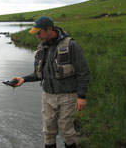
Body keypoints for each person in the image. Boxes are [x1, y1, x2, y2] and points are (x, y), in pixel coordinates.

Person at [13, 16, 90, 148]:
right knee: (48, 132)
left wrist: (81, 96)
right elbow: (39, 74)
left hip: (67, 96)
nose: (37, 36)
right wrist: (24, 79)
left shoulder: (71, 45)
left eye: (39, 32)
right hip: (47, 96)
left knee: (67, 132)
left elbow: (83, 72)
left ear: (49, 29)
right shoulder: (41, 48)